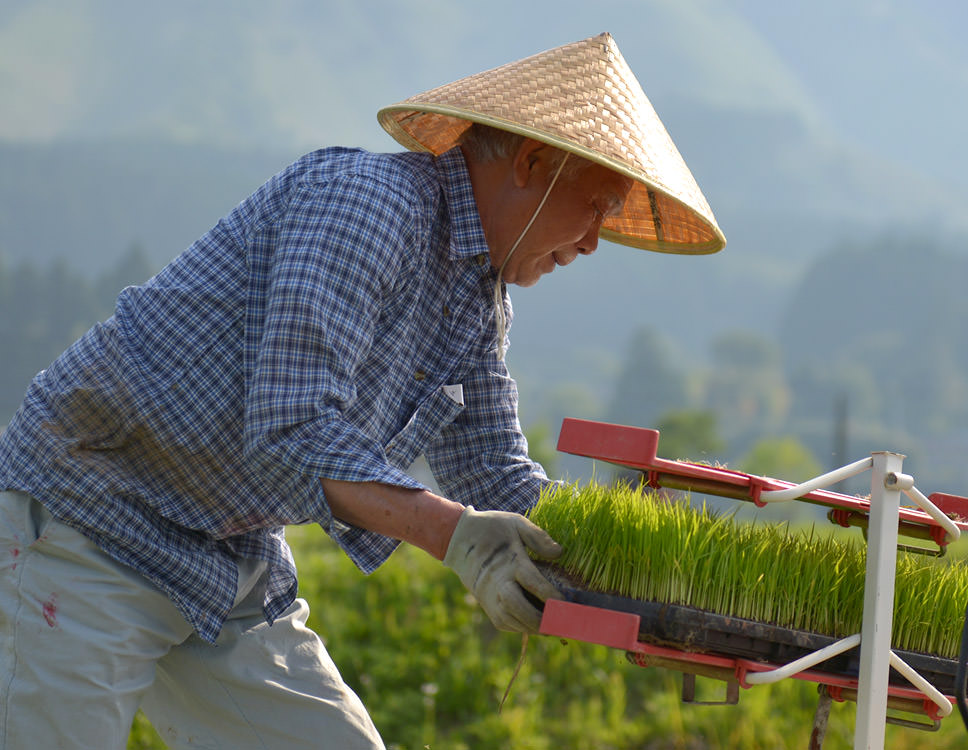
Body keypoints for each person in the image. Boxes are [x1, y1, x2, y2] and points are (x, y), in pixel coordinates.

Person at [0, 32, 724, 748]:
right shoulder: (368, 205)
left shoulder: (479, 298)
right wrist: (459, 539)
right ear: (532, 162)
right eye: (597, 205)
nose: (597, 238)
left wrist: (641, 559)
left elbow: (498, 477)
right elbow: (295, 428)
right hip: (89, 520)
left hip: (222, 557)